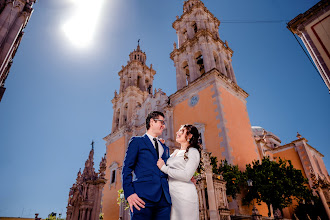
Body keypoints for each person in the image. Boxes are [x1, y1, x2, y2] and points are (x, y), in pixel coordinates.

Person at [122, 111, 171, 220]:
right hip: (142, 198)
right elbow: (127, 169)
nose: (164, 126)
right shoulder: (137, 142)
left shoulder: (165, 148)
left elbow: (168, 170)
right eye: (161, 122)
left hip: (164, 200)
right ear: (152, 122)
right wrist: (129, 193)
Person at [157, 124, 201, 220]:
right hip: (171, 195)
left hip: (184, 196)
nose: (177, 132)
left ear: (189, 136)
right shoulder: (175, 153)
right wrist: (161, 147)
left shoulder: (193, 152)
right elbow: (165, 163)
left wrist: (164, 168)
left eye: (181, 131)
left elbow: (186, 175)